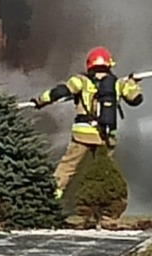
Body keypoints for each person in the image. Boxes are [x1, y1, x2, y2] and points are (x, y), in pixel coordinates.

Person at [34, 47, 143, 199]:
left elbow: (60, 92)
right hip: (106, 135)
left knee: (68, 165)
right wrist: (132, 83)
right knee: (105, 170)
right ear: (109, 64)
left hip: (83, 133)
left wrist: (40, 101)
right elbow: (136, 99)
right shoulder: (118, 84)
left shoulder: (80, 80)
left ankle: (52, 195)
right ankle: (107, 204)